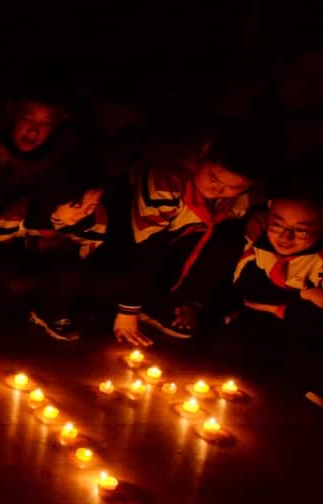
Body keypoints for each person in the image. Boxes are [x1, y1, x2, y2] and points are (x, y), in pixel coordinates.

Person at [112, 127, 263, 344]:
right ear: (204, 152)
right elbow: (147, 247)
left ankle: (176, 304)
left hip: (183, 240)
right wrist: (127, 311)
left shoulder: (245, 198)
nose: (219, 190)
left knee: (227, 240)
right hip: (126, 237)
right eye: (214, 178)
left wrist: (193, 302)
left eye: (234, 187)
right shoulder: (165, 179)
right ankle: (138, 301)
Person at [226, 181, 323, 402]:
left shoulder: (318, 262)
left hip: (304, 332)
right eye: (278, 225)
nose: (286, 237)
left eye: (302, 230)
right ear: (269, 209)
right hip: (261, 322)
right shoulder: (256, 244)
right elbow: (245, 291)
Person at [0, 166, 108, 341]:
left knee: (69, 272)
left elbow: (84, 257)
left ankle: (52, 314)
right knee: (12, 283)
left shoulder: (95, 219)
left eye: (92, 205)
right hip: (20, 263)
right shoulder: (20, 212)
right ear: (55, 198)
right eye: (77, 205)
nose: (85, 212)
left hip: (59, 268)